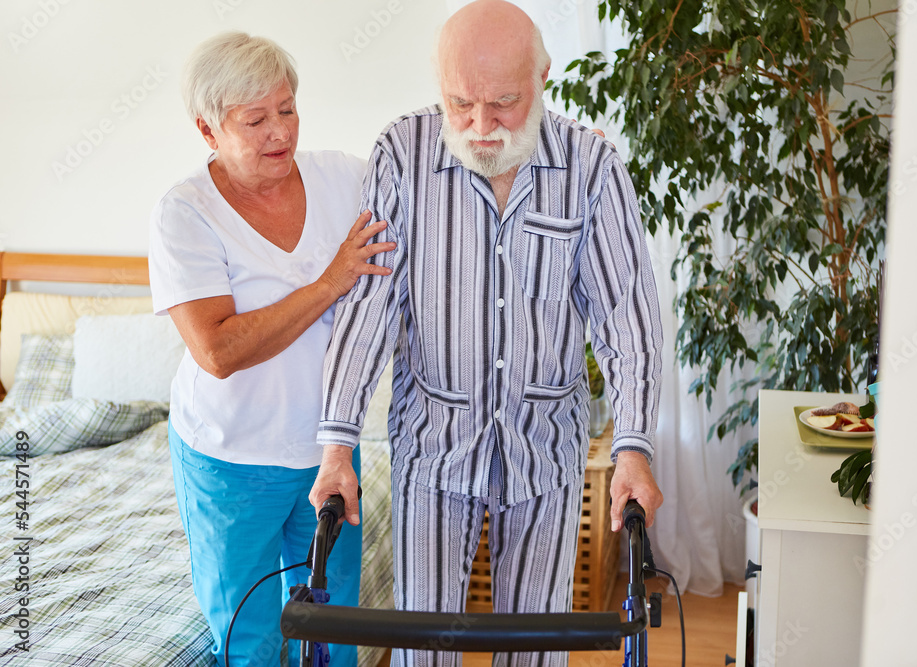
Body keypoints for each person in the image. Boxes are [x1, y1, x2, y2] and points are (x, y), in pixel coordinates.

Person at [310, 1, 665, 665]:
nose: (480, 126)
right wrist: (338, 444)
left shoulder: (591, 169)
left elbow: (628, 317)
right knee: (424, 649)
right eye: (460, 103)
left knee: (534, 649)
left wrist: (634, 448)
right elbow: (370, 305)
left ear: (543, 77)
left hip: (546, 450)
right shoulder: (401, 155)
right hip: (433, 448)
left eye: (503, 103)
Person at [148, 32, 395, 667]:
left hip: (328, 455)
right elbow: (220, 350)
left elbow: (428, 206)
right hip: (230, 460)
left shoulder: (343, 178)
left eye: (286, 109)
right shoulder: (185, 214)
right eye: (254, 120)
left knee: (333, 628)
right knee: (248, 638)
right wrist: (331, 281)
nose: (278, 131)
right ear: (208, 130)